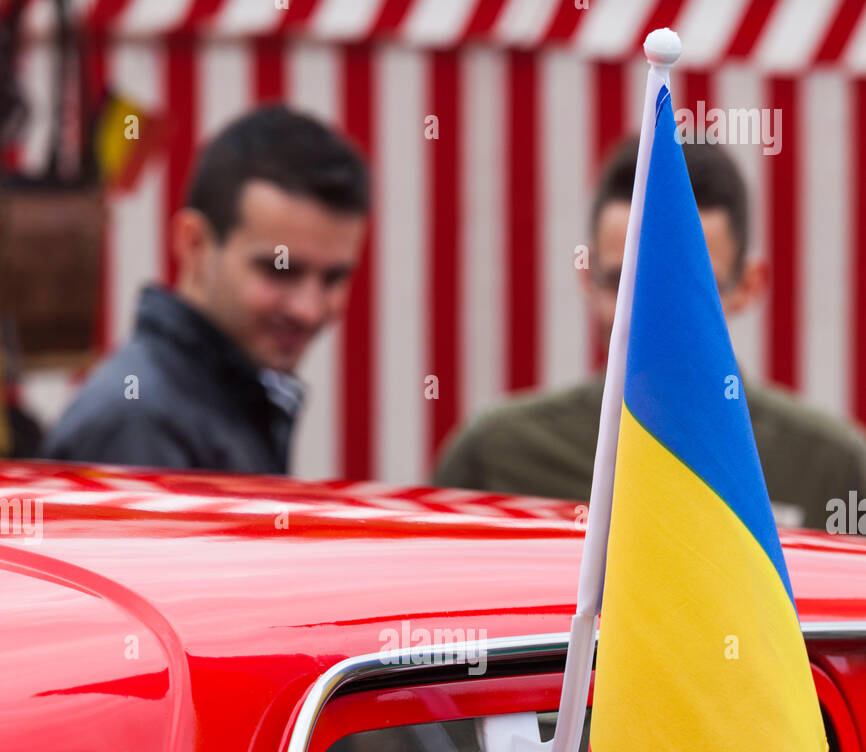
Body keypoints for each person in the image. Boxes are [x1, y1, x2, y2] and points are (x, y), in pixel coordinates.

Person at [434, 136, 866, 530]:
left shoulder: (831, 469)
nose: (652, 316)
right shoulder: (494, 457)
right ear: (587, 278)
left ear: (749, 285)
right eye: (624, 283)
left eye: (691, 287)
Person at [44, 105, 369, 474]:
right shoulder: (140, 421)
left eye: (333, 278)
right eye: (280, 270)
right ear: (194, 244)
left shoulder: (203, 402)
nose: (307, 309)